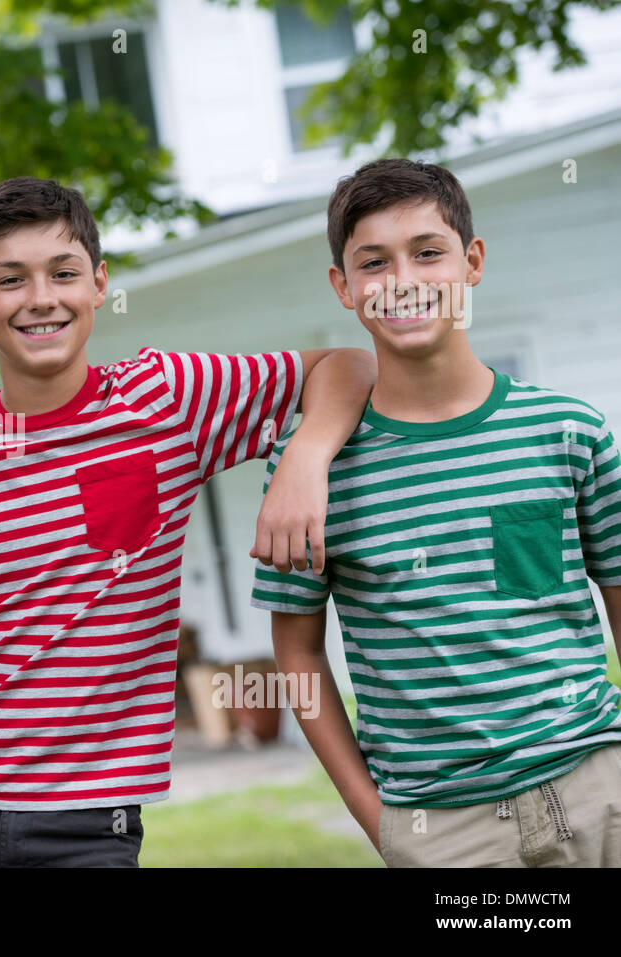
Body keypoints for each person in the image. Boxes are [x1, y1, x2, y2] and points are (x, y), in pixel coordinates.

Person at [0, 175, 376, 866]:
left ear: (98, 284)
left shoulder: (166, 399)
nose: (41, 298)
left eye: (63, 273)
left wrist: (304, 459)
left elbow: (347, 366)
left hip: (88, 824)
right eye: (9, 279)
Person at [250, 158, 621, 867]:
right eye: (374, 262)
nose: (404, 281)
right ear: (344, 287)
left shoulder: (569, 431)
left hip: (601, 791)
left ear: (472, 261)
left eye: (428, 252)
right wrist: (378, 819)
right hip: (442, 829)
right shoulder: (307, 474)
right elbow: (296, 652)